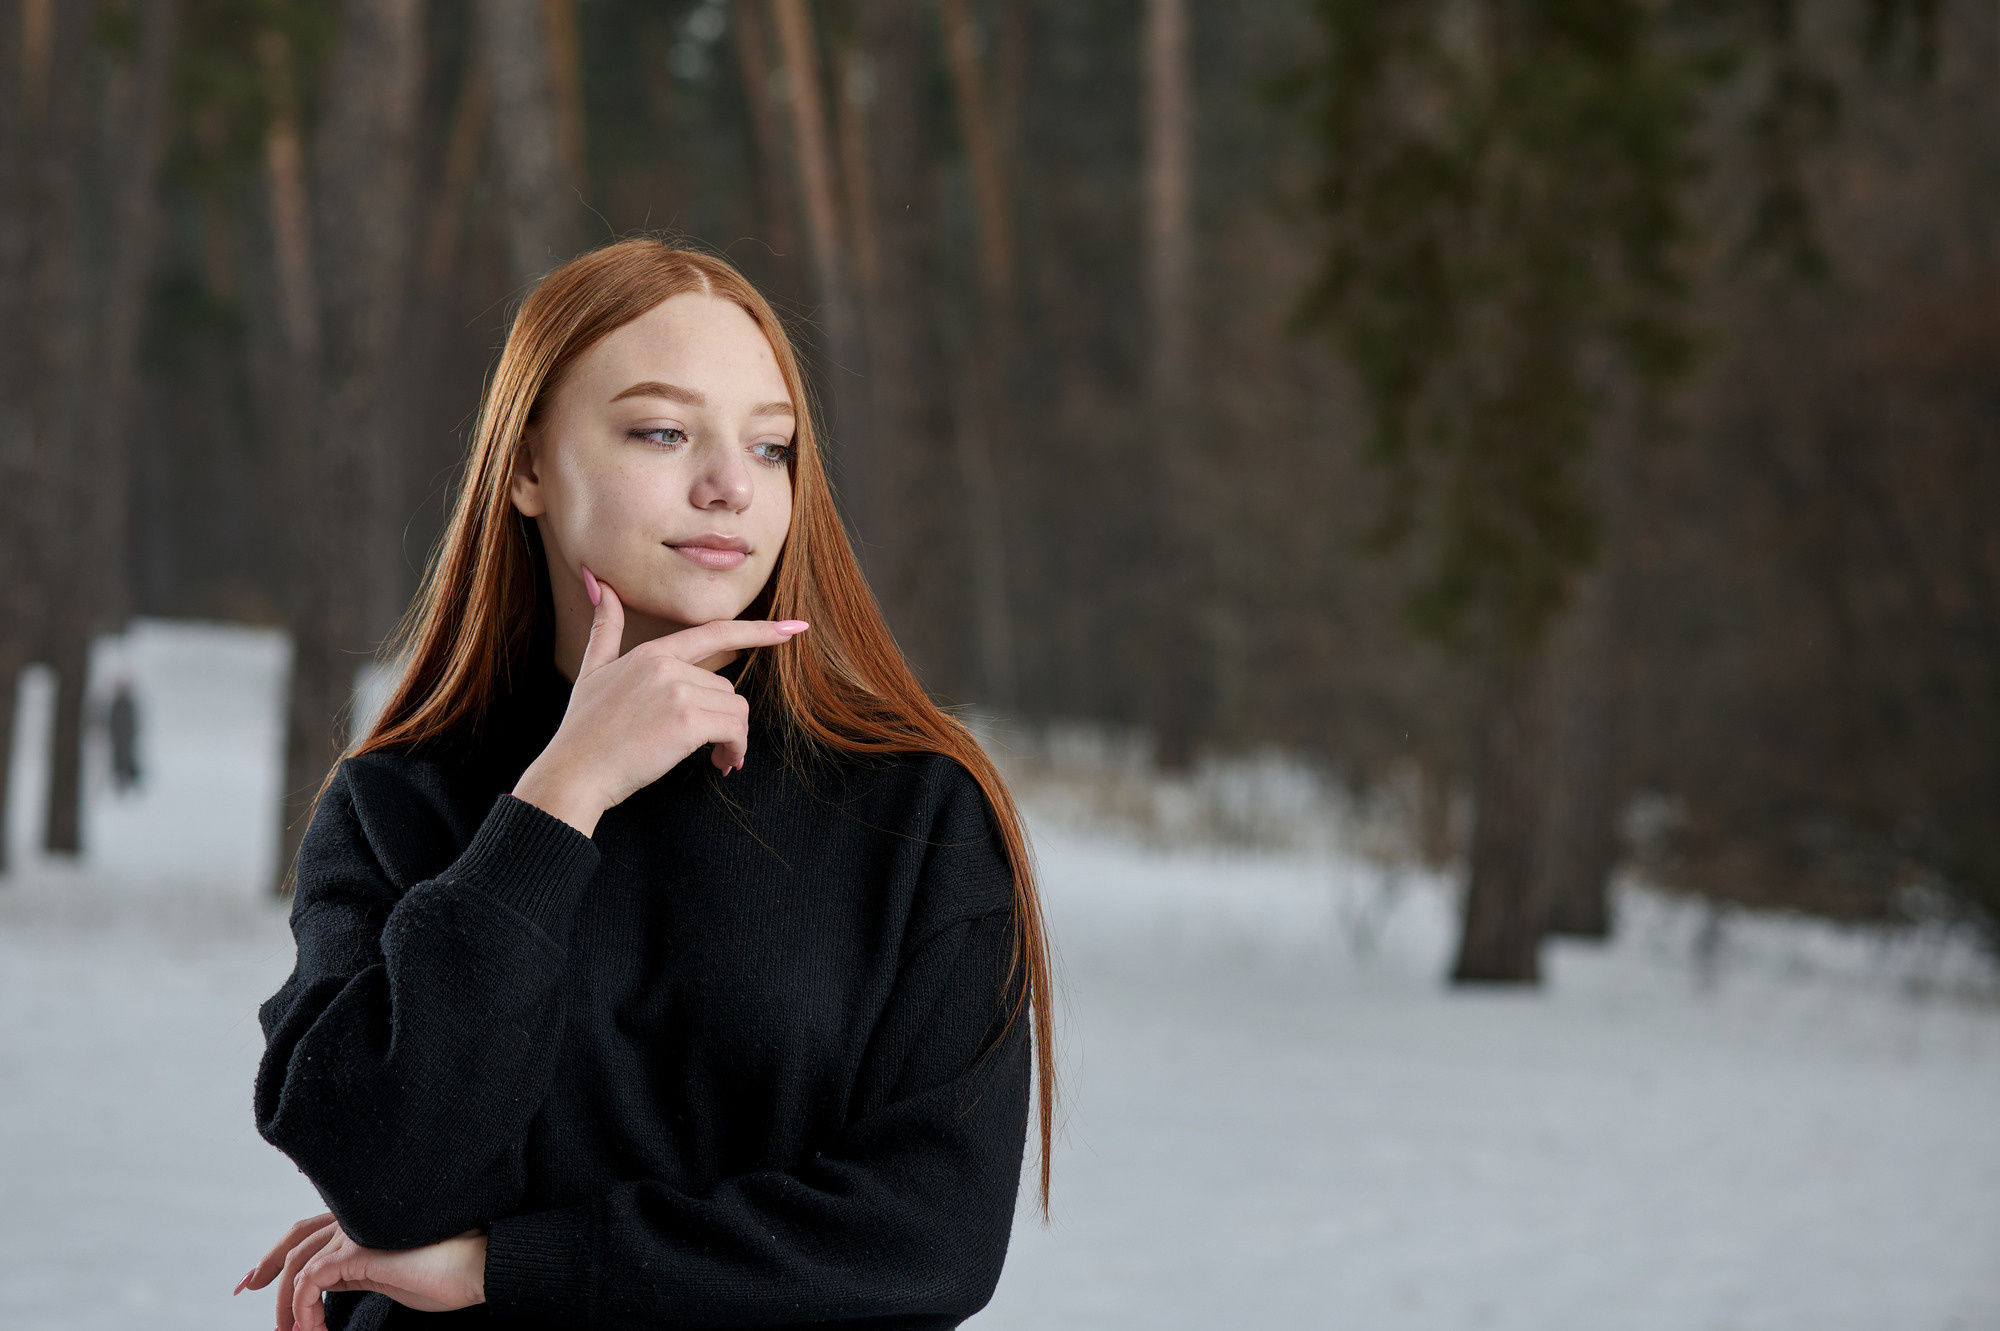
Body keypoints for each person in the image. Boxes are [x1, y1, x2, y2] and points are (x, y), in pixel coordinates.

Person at [237, 238, 1056, 1331]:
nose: (729, 486)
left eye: (770, 446)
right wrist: (561, 795)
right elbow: (387, 1174)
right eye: (663, 431)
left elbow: (926, 1241)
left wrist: (506, 1264)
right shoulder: (396, 803)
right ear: (527, 466)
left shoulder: (917, 813)